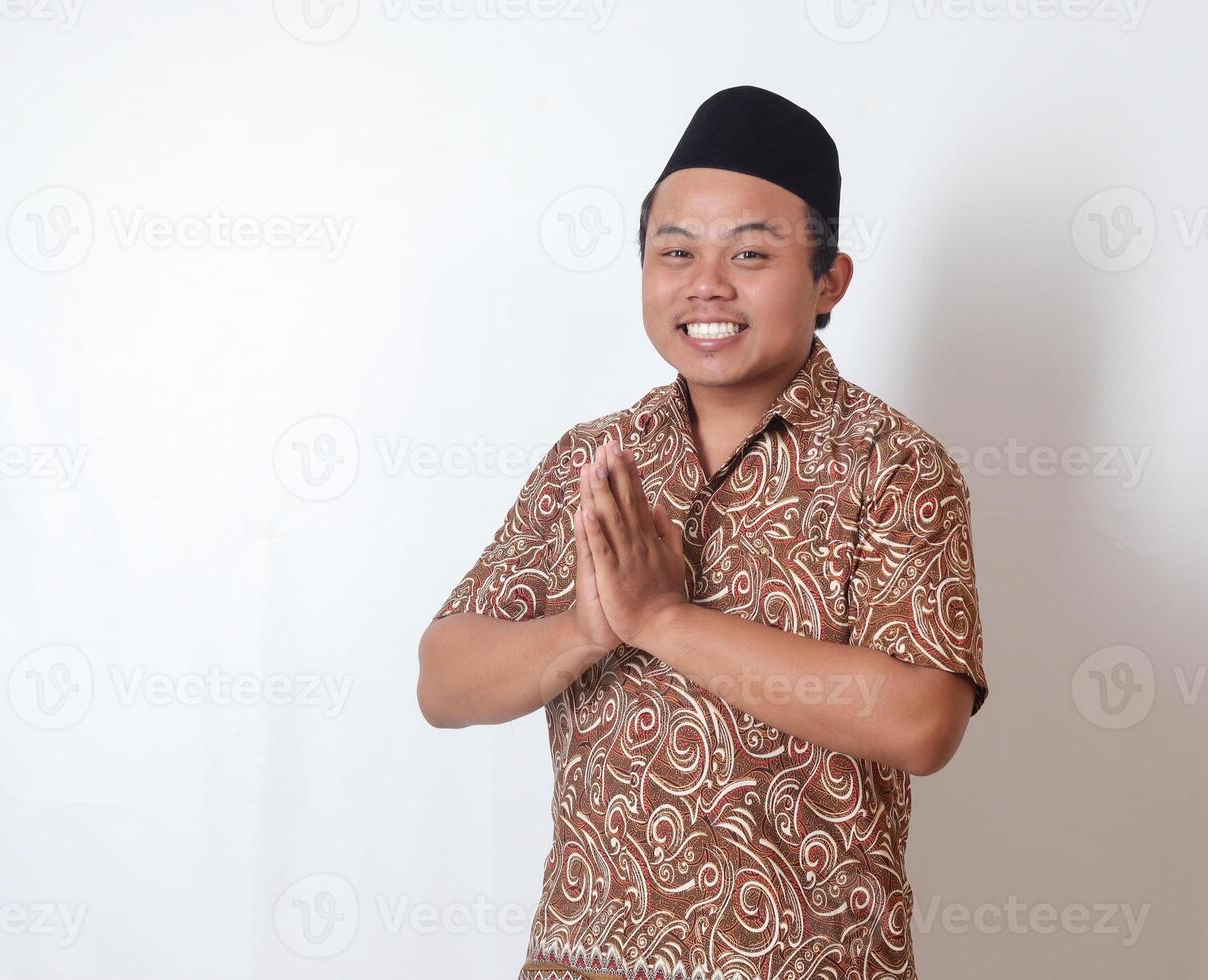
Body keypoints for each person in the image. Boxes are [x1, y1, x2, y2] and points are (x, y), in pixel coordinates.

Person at [418, 84, 989, 980]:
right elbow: (442, 678)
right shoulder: (597, 460)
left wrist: (663, 622)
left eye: (751, 253)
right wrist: (582, 632)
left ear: (829, 279)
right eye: (674, 251)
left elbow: (923, 720)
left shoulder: (893, 468)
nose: (706, 284)